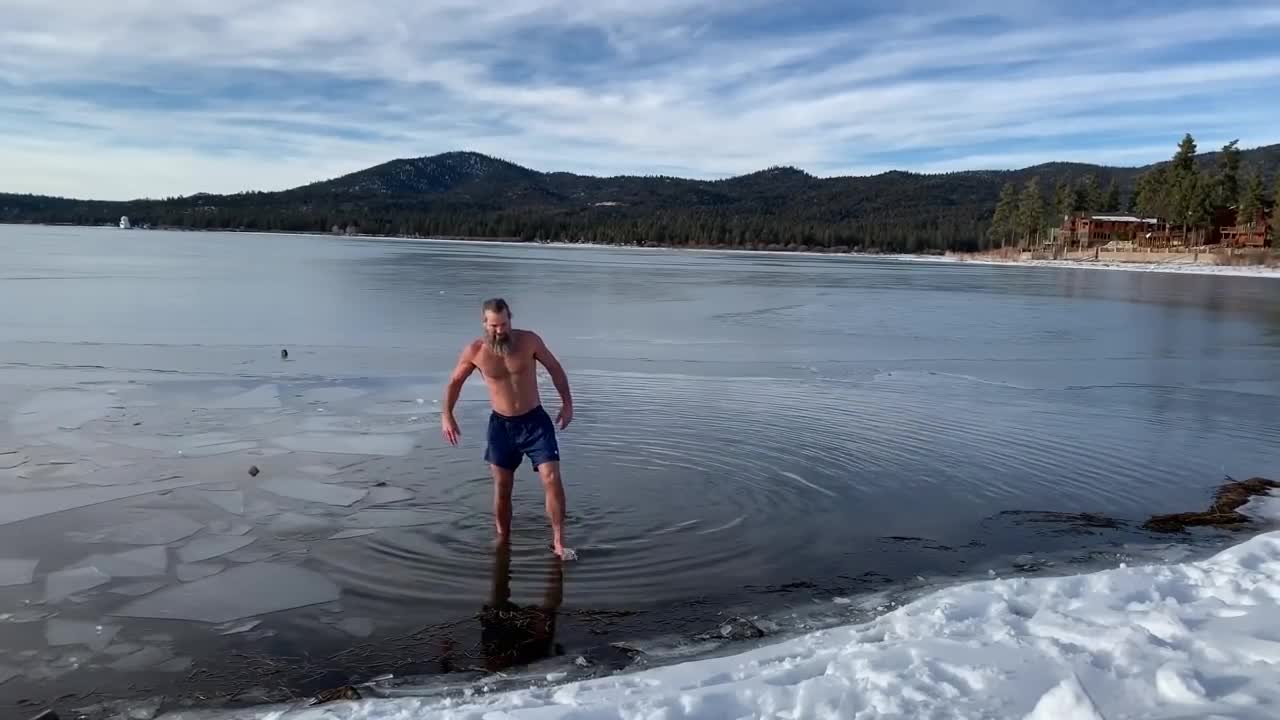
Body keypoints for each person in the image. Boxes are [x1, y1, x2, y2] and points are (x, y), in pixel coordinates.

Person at [441, 297, 575, 559]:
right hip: (501, 426)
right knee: (503, 486)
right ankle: (503, 539)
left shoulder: (529, 341)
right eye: (494, 326)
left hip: (535, 422)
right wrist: (447, 415)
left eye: (503, 324)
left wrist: (567, 403)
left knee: (551, 478)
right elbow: (454, 382)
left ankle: (558, 542)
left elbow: (555, 368)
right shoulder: (476, 351)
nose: (500, 330)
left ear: (510, 319)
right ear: (484, 323)